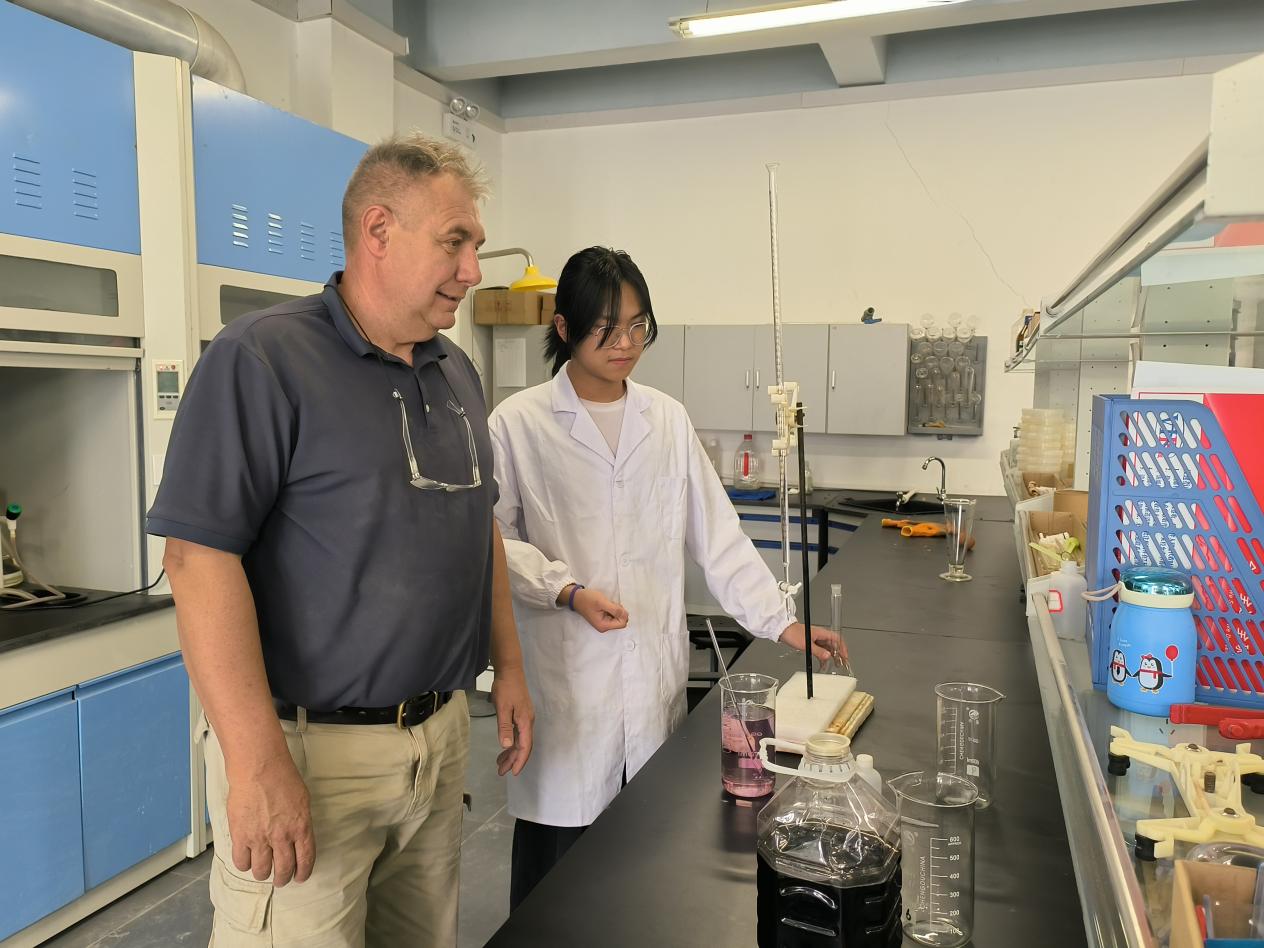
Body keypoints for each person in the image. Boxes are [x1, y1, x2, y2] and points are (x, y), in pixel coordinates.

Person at [147, 133, 533, 947]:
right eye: (455, 242)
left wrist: (511, 668)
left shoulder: (455, 371)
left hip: (437, 741)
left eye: (475, 246)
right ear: (379, 231)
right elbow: (196, 560)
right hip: (310, 754)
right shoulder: (262, 359)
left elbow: (481, 532)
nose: (472, 269)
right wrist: (257, 765)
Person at [488, 246, 844, 907]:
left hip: (650, 683)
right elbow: (492, 543)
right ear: (564, 327)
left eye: (637, 326)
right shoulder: (518, 423)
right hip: (567, 683)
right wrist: (565, 590)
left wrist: (782, 622)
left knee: (647, 876)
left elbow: (718, 537)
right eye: (606, 328)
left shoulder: (666, 419)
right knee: (557, 888)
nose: (625, 344)